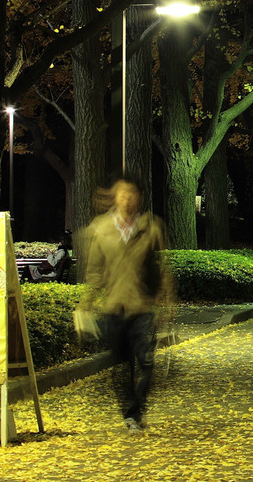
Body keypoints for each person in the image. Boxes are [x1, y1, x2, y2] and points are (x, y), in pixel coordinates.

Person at [75, 178, 173, 433]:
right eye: (122, 193)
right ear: (114, 196)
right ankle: (131, 414)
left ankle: (136, 409)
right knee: (121, 366)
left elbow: (161, 268)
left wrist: (167, 300)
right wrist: (84, 305)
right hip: (114, 308)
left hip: (142, 306)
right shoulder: (101, 229)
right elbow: (95, 273)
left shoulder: (150, 227)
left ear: (139, 197)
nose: (127, 199)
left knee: (146, 362)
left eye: (132, 193)